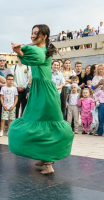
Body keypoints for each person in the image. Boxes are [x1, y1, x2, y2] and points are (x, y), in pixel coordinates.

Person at [9, 24, 74, 175]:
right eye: (32, 33)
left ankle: (49, 164)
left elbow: (36, 55)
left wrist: (23, 48)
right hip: (38, 90)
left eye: (36, 33)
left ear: (44, 36)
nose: (32, 36)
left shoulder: (42, 51)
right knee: (37, 123)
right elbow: (27, 60)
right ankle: (44, 157)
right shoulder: (40, 50)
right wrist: (21, 52)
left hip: (45, 92)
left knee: (48, 125)